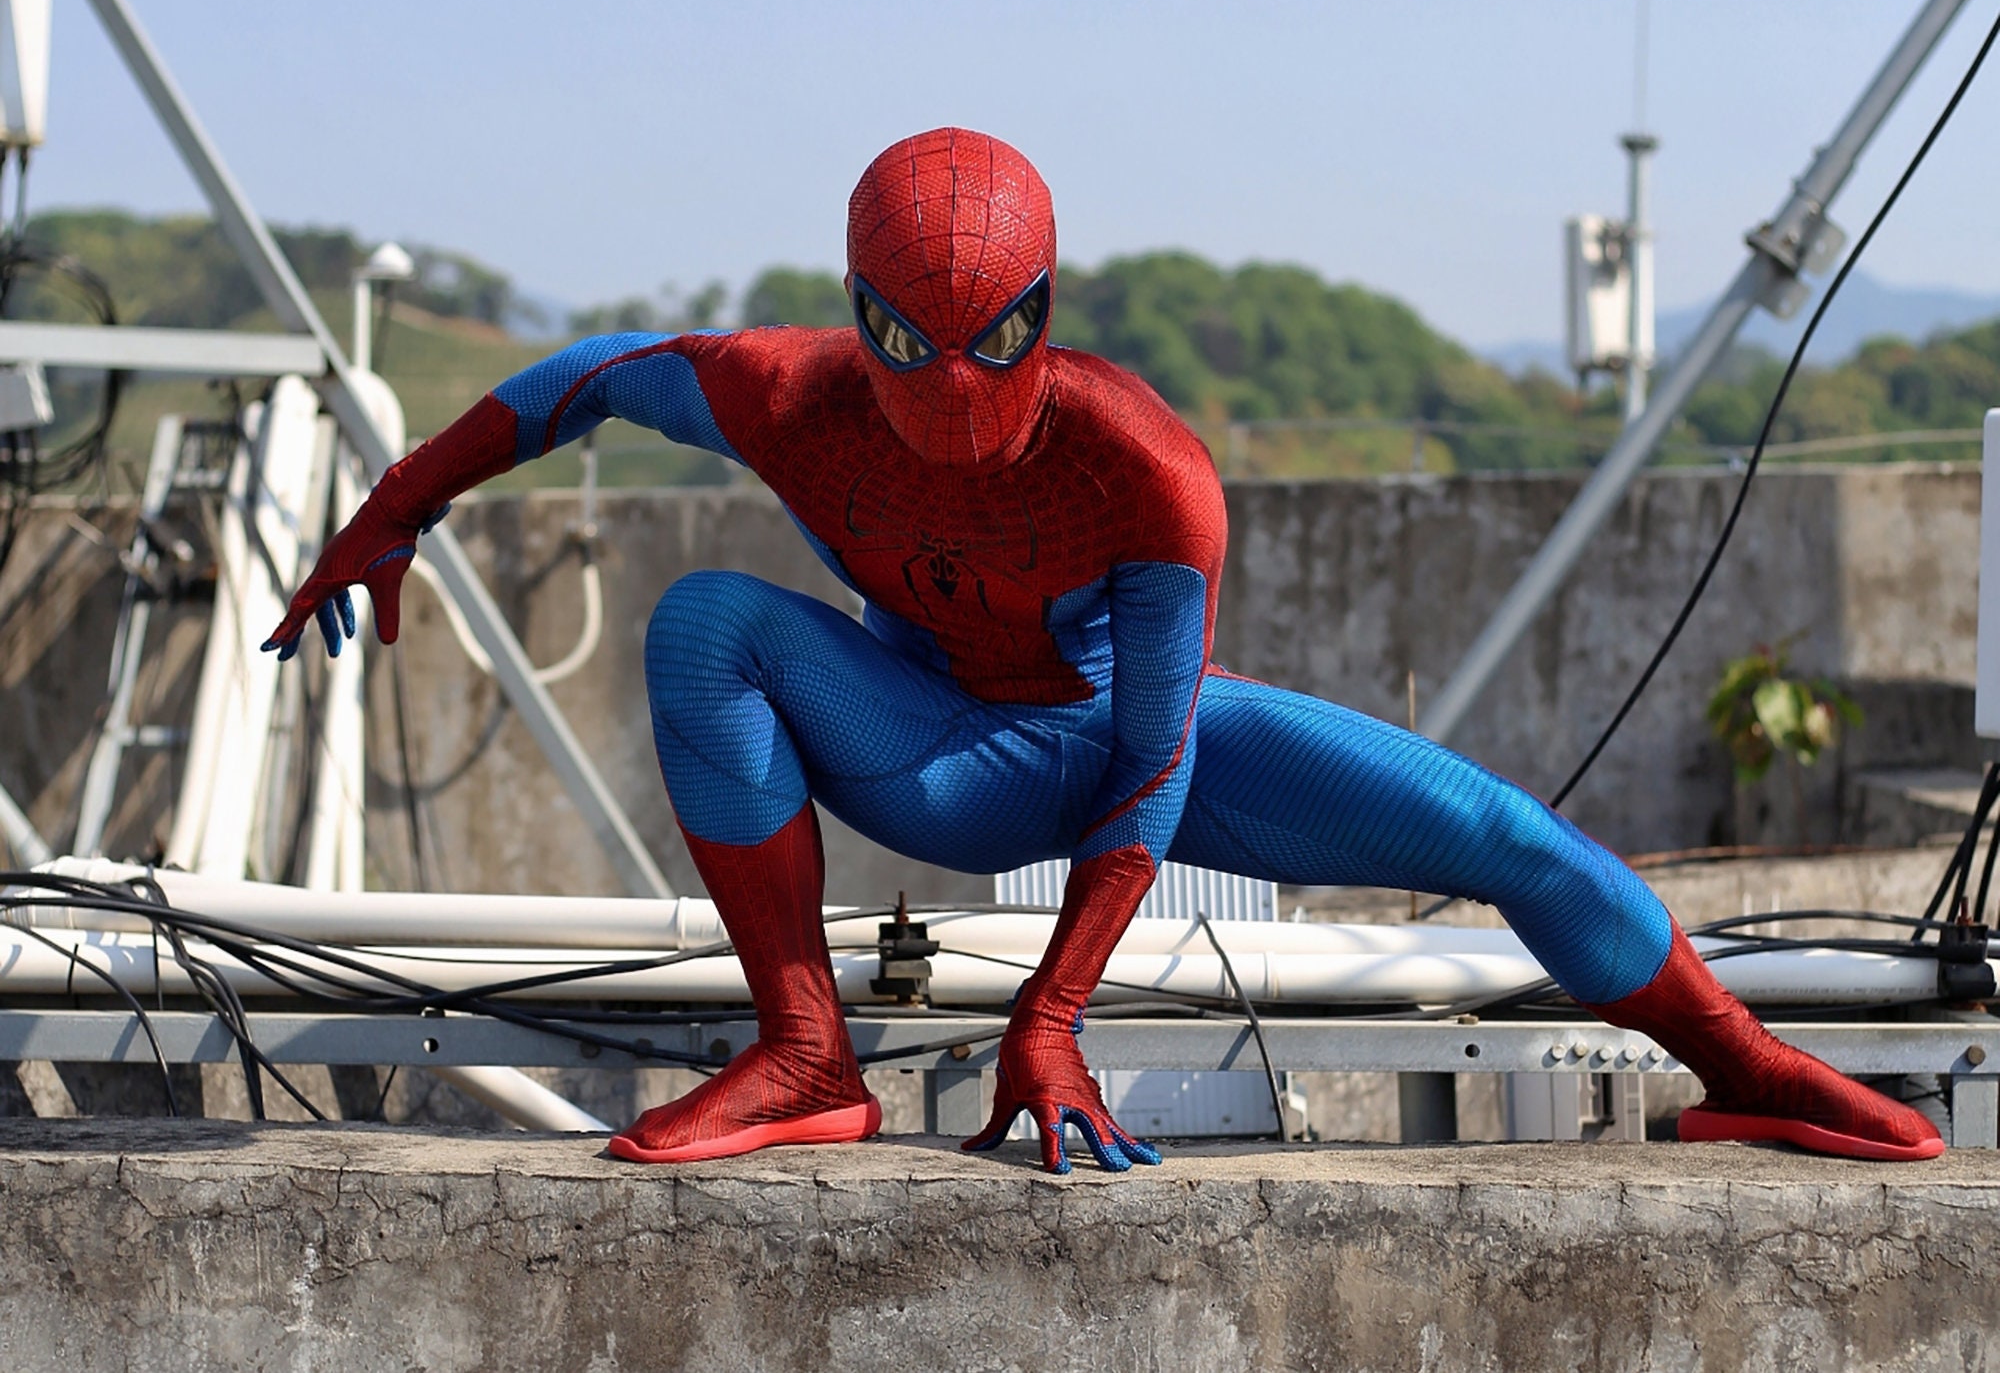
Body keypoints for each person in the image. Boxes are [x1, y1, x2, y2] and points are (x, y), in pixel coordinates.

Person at [267, 127, 1943, 1172]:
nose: (953, 398)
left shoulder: (1144, 472)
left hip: (1143, 747)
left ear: (1045, 311)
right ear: (858, 317)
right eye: (911, 349)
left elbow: (1152, 768)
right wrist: (392, 510)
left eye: (991, 346)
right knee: (707, 621)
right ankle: (804, 1052)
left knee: (1507, 835)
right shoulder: (781, 392)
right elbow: (571, 385)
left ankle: (1749, 1066)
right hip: (942, 753)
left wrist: (1053, 1013)